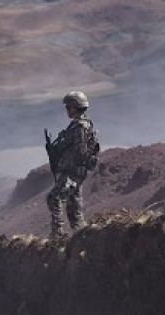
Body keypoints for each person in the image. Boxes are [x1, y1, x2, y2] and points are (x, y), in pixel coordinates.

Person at [47, 91, 101, 239]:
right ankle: (81, 237)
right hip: (73, 171)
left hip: (73, 172)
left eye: (68, 107)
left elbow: (80, 152)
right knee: (74, 210)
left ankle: (57, 235)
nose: (67, 110)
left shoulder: (80, 127)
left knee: (54, 198)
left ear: (76, 107)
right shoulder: (75, 126)